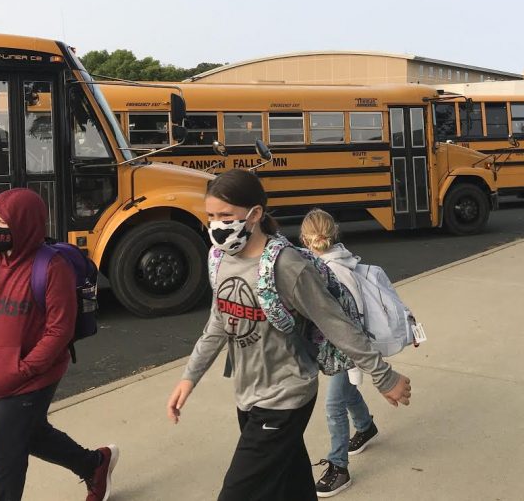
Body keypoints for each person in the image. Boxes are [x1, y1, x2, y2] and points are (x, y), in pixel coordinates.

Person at [166, 170, 412, 501]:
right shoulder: (219, 260)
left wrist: (383, 376)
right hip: (249, 393)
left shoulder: (287, 266)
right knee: (292, 486)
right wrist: (189, 377)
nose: (216, 225)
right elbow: (218, 323)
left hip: (286, 395)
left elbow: (335, 322)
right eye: (210, 216)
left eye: (226, 216)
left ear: (254, 215)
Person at [0, 188, 117, 501]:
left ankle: (94, 465)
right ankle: (94, 465)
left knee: (1, 458)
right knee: (31, 434)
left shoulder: (51, 268)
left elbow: (59, 331)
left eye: (3, 224)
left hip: (36, 374)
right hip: (0, 368)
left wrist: (23, 370)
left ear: (24, 225)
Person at [300, 209, 379, 497]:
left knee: (334, 405)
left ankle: (339, 467)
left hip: (349, 349)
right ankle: (365, 426)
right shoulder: (337, 262)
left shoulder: (333, 270)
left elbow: (351, 317)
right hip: (343, 348)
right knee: (345, 394)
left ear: (304, 239)